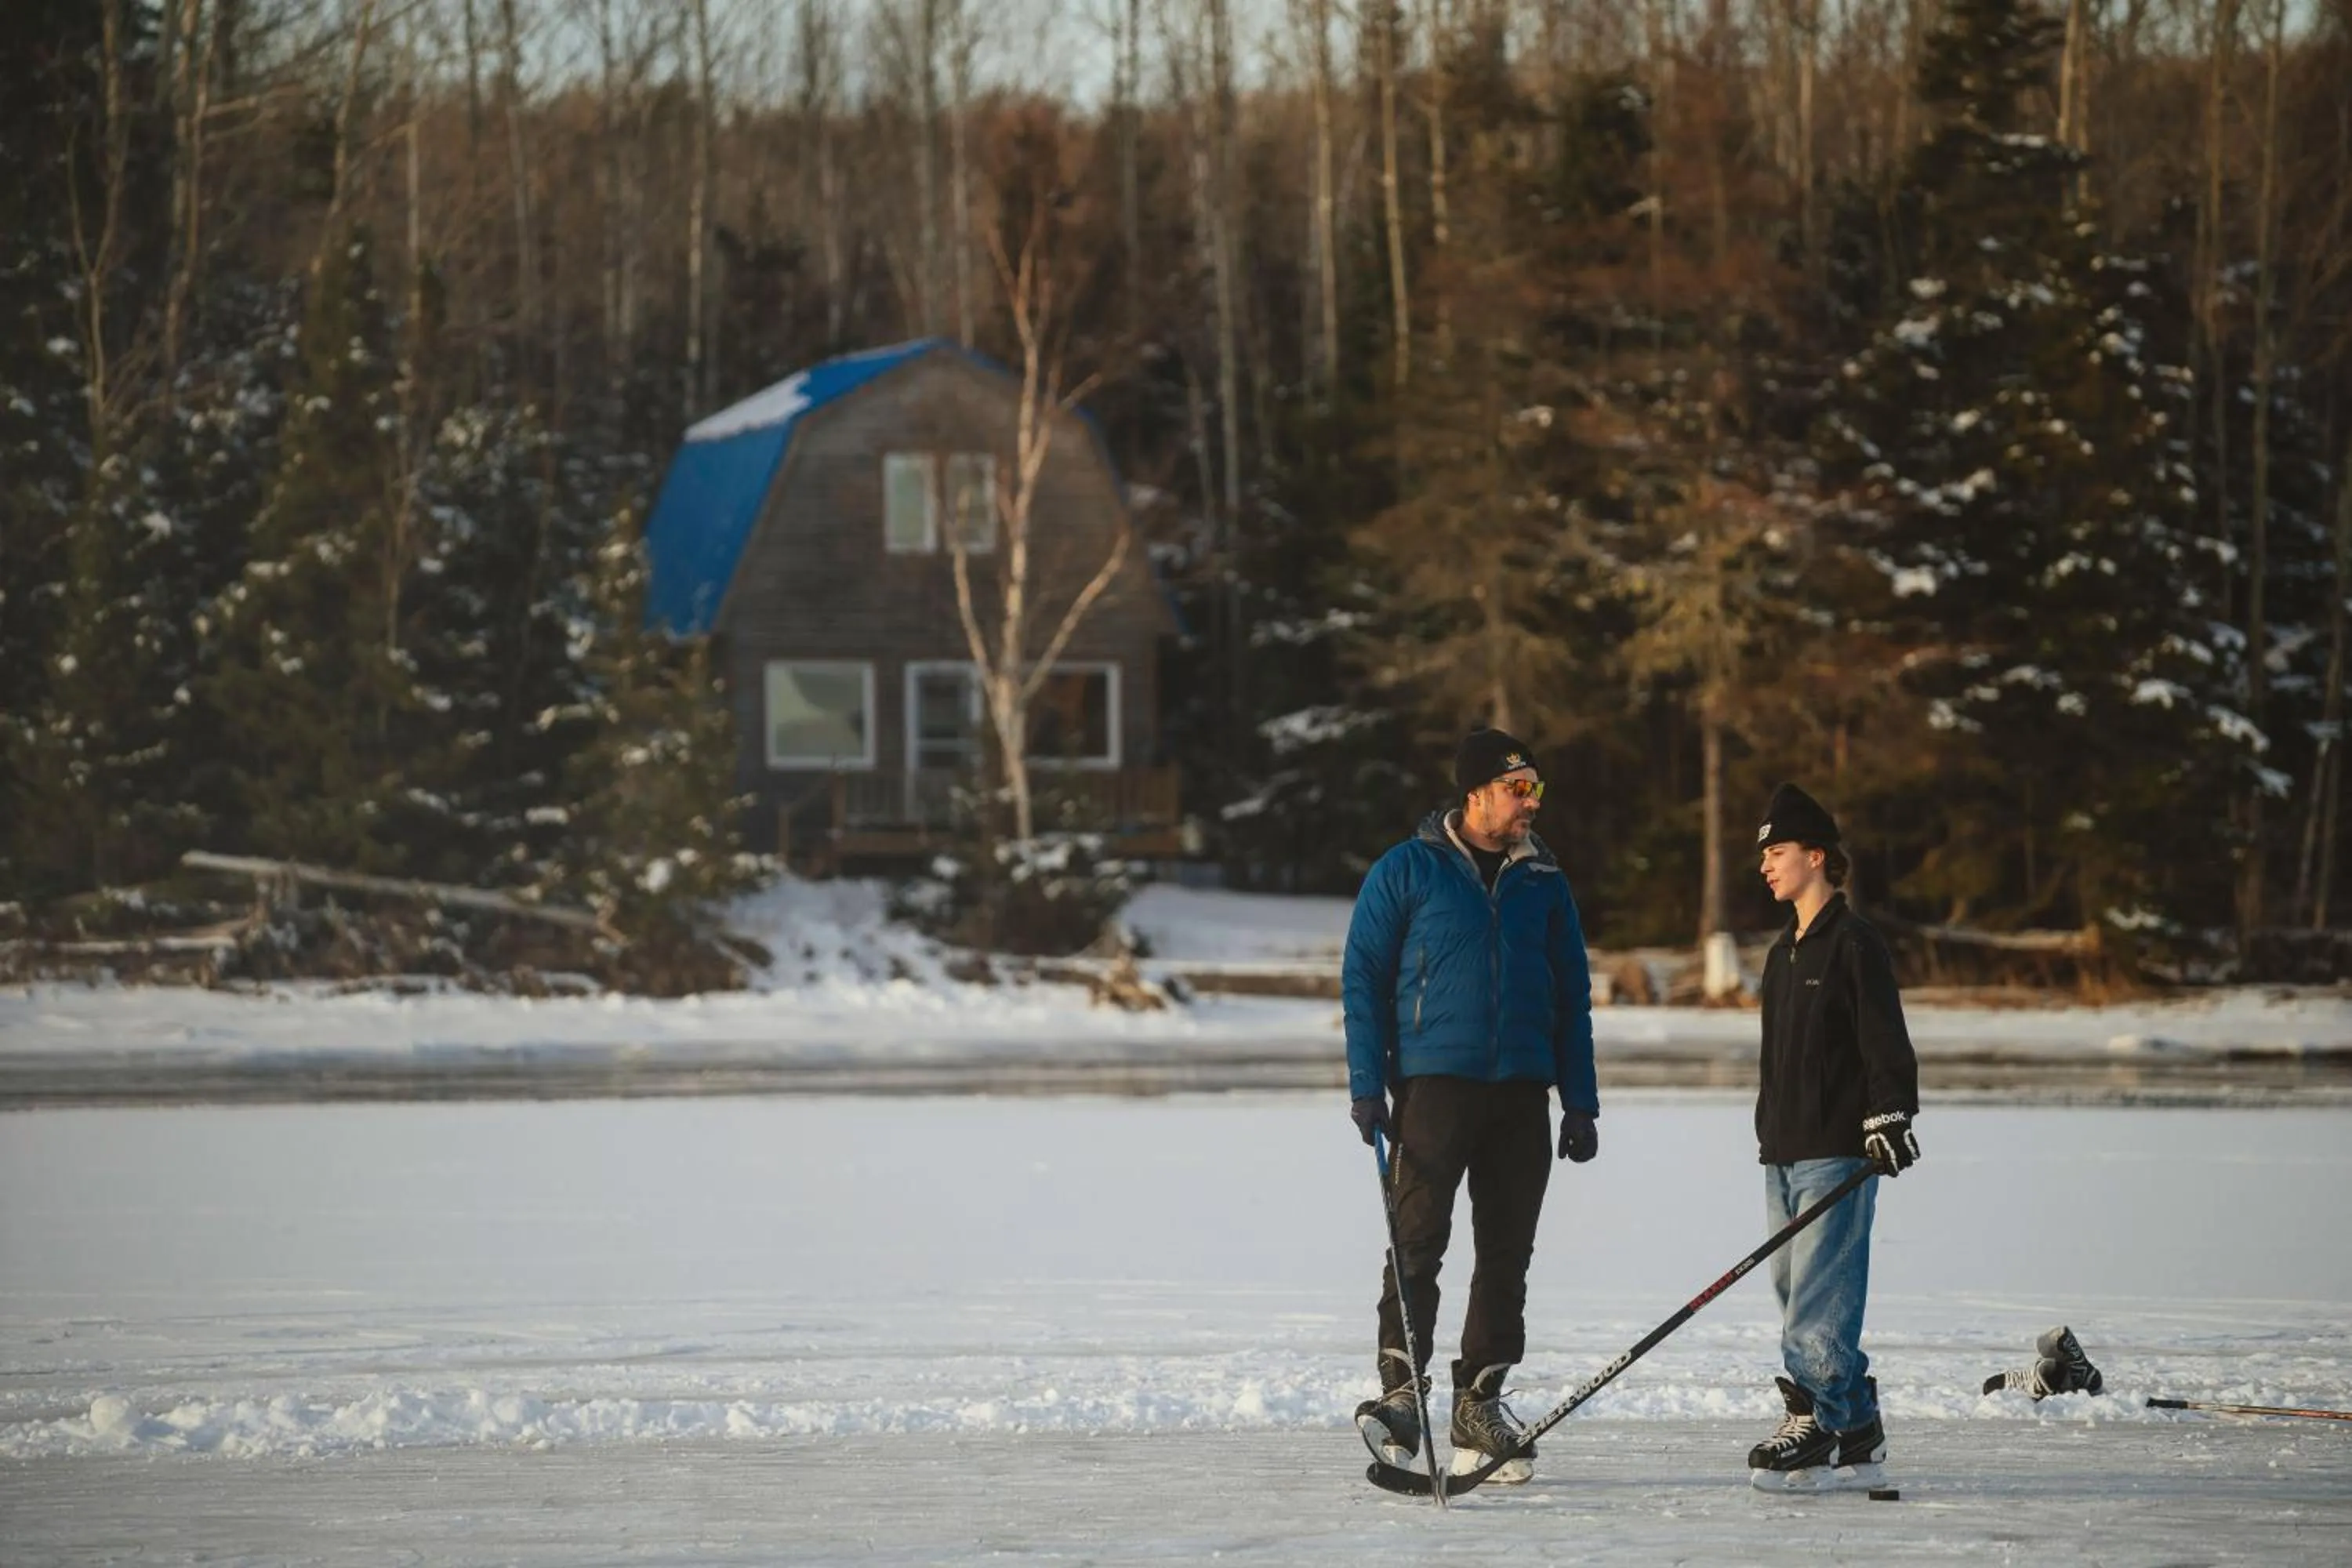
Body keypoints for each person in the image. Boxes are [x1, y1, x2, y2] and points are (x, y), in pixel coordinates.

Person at [1343, 728, 1599, 1483]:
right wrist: (1367, 1084)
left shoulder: (1544, 880)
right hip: (1434, 1086)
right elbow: (1363, 978)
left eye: (1537, 790)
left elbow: (1572, 997)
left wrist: (1579, 1101)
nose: (1531, 803)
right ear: (1477, 793)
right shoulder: (1407, 870)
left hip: (1522, 1091)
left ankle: (1478, 1405)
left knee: (1507, 1254)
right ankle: (1400, 1394)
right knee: (1417, 1239)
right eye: (1519, 790)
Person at [1746, 782, 1921, 1490]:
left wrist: (1890, 1115)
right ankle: (1854, 1425)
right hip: (1783, 1150)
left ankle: (1821, 1420)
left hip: (1838, 1149)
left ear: (1817, 856)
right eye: (1763, 855)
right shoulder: (1782, 952)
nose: (1765, 865)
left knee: (1819, 1301)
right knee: (1794, 1291)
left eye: (1778, 852)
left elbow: (1886, 1041)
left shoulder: (1853, 943)